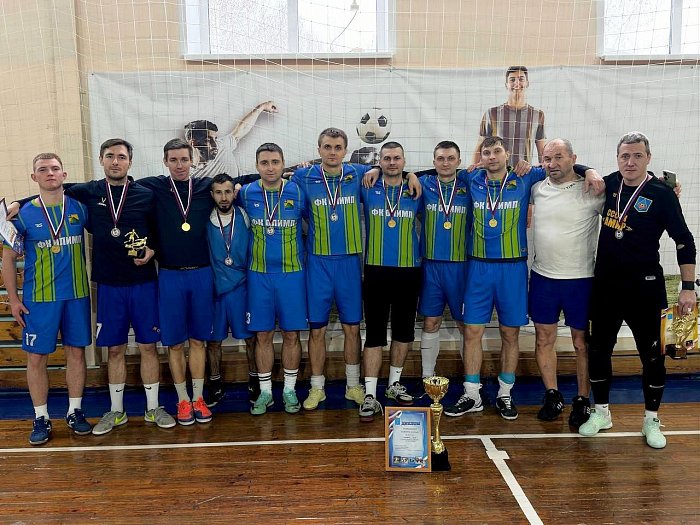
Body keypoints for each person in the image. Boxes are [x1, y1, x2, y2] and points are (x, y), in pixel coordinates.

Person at [444, 136, 600, 421]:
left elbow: (564, 168)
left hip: (513, 269)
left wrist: (589, 170)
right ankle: (472, 393)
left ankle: (505, 393)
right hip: (478, 268)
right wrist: (396, 173)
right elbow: (440, 170)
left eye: (497, 151)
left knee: (510, 334)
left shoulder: (526, 177)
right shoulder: (471, 177)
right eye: (487, 152)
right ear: (481, 156)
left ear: (508, 155)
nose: (492, 157)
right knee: (472, 332)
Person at [579, 132, 696, 449]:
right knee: (598, 351)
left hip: (645, 288)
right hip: (605, 286)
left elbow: (684, 241)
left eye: (637, 156)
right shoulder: (607, 184)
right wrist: (588, 170)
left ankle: (651, 419)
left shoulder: (662, 194)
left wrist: (688, 288)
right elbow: (572, 168)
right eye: (624, 156)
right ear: (617, 158)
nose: (630, 162)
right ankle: (601, 413)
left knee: (653, 355)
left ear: (648, 158)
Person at [60, 139, 174, 434]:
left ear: (129, 162)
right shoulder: (90, 191)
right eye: (110, 156)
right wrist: (16, 204)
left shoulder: (145, 194)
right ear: (101, 159)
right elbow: (53, 187)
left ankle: (153, 407)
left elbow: (161, 232)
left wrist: (153, 250)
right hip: (109, 285)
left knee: (148, 346)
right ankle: (116, 411)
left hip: (143, 283)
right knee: (114, 349)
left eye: (121, 157)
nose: (115, 161)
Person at [2, 153, 93, 444]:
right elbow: (8, 258)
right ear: (34, 177)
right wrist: (13, 299)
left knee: (76, 354)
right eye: (43, 169)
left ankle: (75, 411)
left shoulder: (80, 208)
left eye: (55, 169)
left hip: (77, 295)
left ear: (64, 174)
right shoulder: (22, 214)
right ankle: (40, 417)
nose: (50, 173)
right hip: (39, 299)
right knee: (36, 357)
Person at [137, 139, 221, 425]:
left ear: (192, 160)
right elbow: (114, 187)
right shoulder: (154, 186)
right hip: (170, 275)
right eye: (173, 160)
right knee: (174, 344)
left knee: (198, 340)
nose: (180, 165)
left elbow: (242, 182)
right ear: (165, 161)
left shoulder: (205, 187)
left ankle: (198, 398)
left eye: (184, 159)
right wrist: (20, 202)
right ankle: (182, 400)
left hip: (202, 274)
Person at [529, 139, 603, 427]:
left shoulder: (593, 189)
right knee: (543, 338)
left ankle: (583, 399)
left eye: (559, 157)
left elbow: (628, 191)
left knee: (581, 343)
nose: (552, 164)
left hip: (581, 279)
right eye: (547, 159)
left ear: (573, 158)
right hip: (543, 278)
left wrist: (589, 171)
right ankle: (552, 394)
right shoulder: (537, 188)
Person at [236, 143, 308, 415]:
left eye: (275, 162)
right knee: (263, 334)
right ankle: (265, 392)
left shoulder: (298, 191)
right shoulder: (246, 193)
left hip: (292, 275)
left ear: (283, 163)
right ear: (256, 166)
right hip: (259, 275)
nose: (270, 168)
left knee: (291, 334)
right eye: (264, 163)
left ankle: (289, 390)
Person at [357, 142, 424, 422]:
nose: (392, 162)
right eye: (386, 158)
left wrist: (412, 175)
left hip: (409, 271)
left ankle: (394, 384)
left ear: (404, 161)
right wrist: (373, 169)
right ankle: (370, 394)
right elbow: (339, 169)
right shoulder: (368, 184)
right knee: (374, 334)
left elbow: (443, 172)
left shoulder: (417, 188)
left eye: (397, 158)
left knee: (403, 332)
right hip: (376, 270)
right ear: (380, 161)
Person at [417, 141, 472, 381]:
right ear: (434, 162)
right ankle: (428, 378)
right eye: (440, 158)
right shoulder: (423, 184)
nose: (446, 163)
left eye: (451, 158)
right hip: (431, 265)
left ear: (459, 161)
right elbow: (397, 174)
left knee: (465, 324)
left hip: (462, 266)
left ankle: (470, 379)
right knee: (431, 321)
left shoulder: (470, 184)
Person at [206, 173, 258, 406]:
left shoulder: (245, 215)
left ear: (234, 192)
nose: (224, 197)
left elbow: (259, 180)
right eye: (218, 192)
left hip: (241, 287)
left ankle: (254, 380)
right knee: (213, 341)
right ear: (212, 195)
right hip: (215, 290)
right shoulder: (205, 218)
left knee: (250, 339)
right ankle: (215, 383)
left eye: (228, 191)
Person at [473, 66, 546, 166]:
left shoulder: (537, 115)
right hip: (496, 172)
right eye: (512, 80)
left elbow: (542, 151)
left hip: (524, 172)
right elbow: (479, 147)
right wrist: (474, 172)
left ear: (527, 83)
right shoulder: (492, 113)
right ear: (506, 85)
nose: (517, 83)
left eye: (521, 79)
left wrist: (544, 170)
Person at [186, 101, 278, 179]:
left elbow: (241, 129)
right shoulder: (189, 174)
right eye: (208, 140)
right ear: (194, 142)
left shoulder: (221, 145)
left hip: (249, 183)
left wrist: (262, 107)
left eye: (215, 139)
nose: (215, 145)